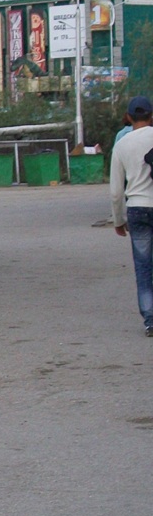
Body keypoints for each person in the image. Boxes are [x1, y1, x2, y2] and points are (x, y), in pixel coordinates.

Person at [109, 95, 153, 337]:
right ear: (151, 116)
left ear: (128, 117)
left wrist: (118, 220)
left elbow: (116, 191)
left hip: (137, 208)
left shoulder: (122, 144)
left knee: (144, 267)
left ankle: (150, 321)